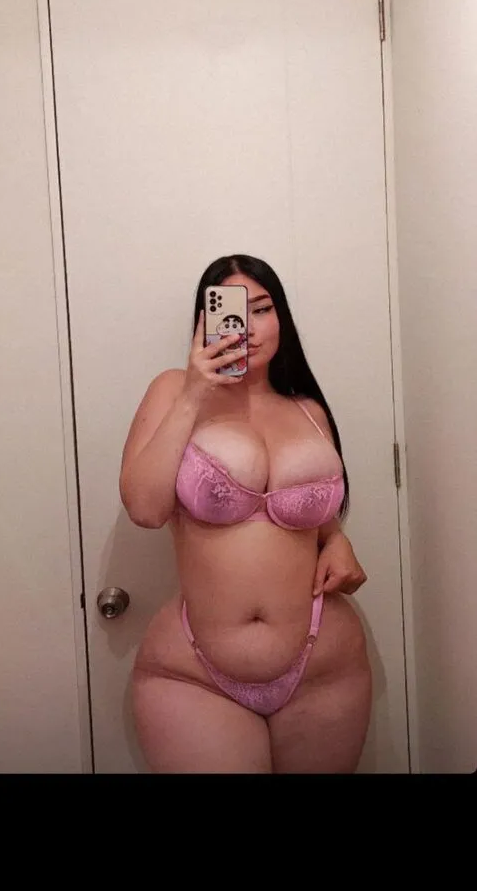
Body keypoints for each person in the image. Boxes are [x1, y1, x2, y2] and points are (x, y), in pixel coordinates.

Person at [120, 254, 372, 773]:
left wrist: (336, 540)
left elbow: (316, 515)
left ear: (282, 317)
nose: (250, 328)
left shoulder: (308, 409)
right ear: (206, 320)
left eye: (263, 308)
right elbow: (145, 509)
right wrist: (194, 393)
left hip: (326, 665)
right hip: (195, 672)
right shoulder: (172, 390)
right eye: (234, 311)